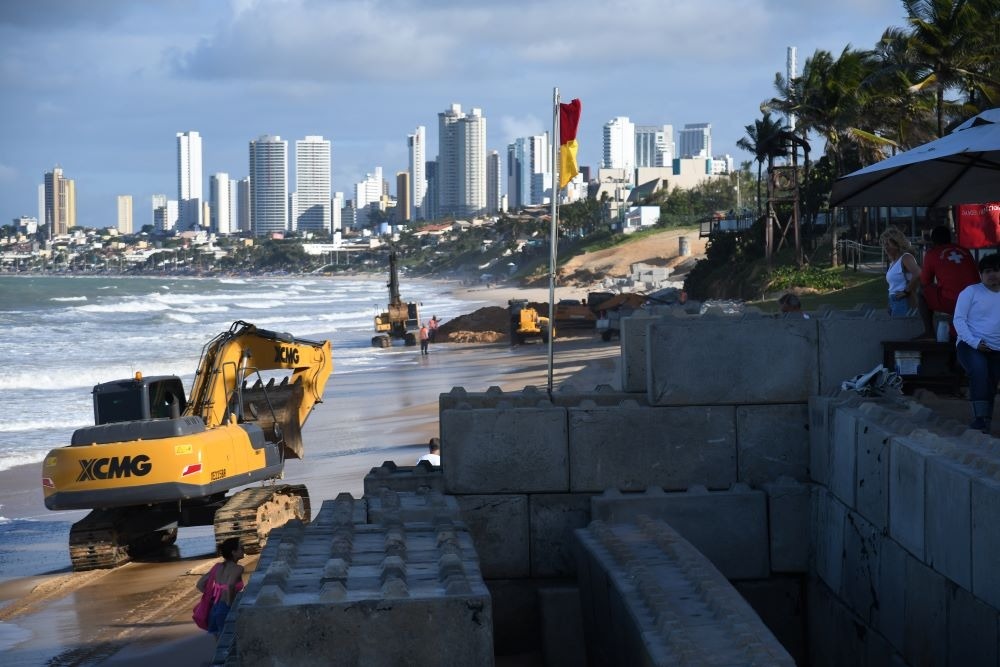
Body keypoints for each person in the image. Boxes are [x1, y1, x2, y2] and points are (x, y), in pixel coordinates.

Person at [953, 253, 1000, 433]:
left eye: (996, 270)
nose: (993, 275)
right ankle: (979, 419)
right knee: (979, 371)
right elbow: (959, 320)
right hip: (970, 344)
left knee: (992, 380)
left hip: (997, 348)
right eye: (988, 271)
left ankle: (986, 418)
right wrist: (974, 342)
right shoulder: (970, 292)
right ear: (981, 275)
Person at [918, 225, 980, 338]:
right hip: (976, 301)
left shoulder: (932, 254)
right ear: (950, 238)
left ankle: (929, 333)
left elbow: (924, 283)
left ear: (933, 241)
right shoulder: (965, 251)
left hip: (953, 301)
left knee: (921, 293)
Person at [196, 537, 245, 637]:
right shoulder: (238, 568)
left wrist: (213, 597)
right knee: (229, 642)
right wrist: (230, 604)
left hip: (214, 608)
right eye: (241, 548)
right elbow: (230, 585)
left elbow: (200, 584)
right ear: (233, 552)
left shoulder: (217, 566)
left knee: (220, 644)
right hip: (225, 609)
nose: (243, 549)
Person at [880, 227, 921, 317]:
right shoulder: (894, 262)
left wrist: (906, 291)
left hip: (903, 301)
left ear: (897, 244)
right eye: (884, 244)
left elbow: (918, 273)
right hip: (894, 301)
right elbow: (893, 286)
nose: (885, 247)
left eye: (888, 244)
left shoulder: (906, 257)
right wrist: (890, 303)